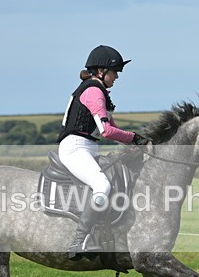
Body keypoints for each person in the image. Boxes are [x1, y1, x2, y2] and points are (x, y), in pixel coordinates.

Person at [57, 45, 149, 260]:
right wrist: (134, 138)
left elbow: (112, 126)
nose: (117, 77)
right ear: (101, 71)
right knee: (102, 185)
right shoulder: (93, 91)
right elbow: (106, 131)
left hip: (87, 147)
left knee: (118, 178)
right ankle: (78, 242)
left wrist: (135, 144)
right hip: (75, 148)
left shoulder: (100, 92)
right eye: (114, 72)